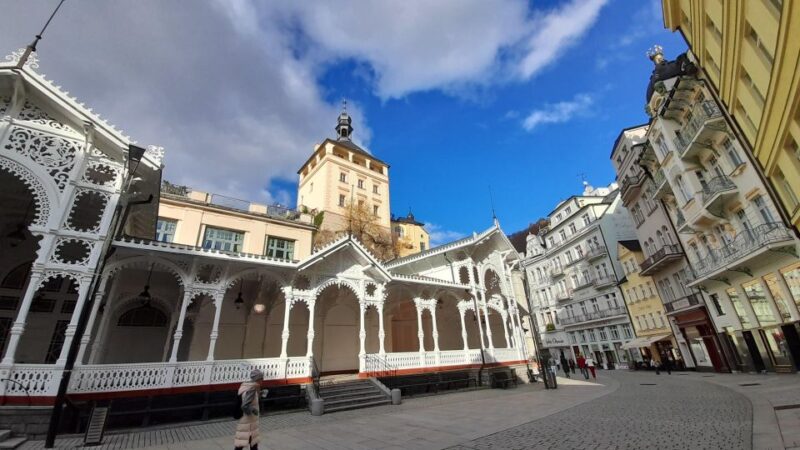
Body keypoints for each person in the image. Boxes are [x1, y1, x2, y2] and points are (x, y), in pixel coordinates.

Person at [234, 369, 264, 450]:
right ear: (258, 379)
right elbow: (245, 405)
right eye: (262, 379)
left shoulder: (246, 386)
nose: (263, 381)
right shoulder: (252, 388)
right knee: (243, 443)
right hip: (248, 421)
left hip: (248, 421)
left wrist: (259, 394)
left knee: (249, 442)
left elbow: (247, 399)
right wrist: (254, 411)